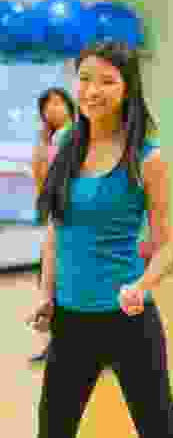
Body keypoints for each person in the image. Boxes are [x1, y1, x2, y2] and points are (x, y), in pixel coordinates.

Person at [28, 41, 173, 438]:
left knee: (160, 429)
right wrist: (46, 294)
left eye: (107, 82)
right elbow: (54, 229)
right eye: (84, 79)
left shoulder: (147, 158)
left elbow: (166, 246)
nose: (92, 91)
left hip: (127, 321)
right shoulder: (64, 144)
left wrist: (142, 285)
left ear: (127, 87)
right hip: (71, 320)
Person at [29, 88, 75, 363]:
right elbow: (40, 179)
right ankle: (59, 344)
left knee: (59, 282)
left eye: (57, 102)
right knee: (50, 282)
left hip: (70, 220)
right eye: (46, 106)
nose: (52, 109)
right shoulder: (52, 139)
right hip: (56, 217)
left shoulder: (73, 133)